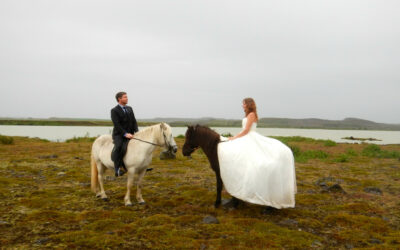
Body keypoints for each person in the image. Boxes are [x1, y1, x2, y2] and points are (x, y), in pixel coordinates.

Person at [218, 98, 297, 208]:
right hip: (246, 138)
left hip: (250, 138)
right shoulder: (249, 114)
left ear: (248, 104)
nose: (242, 105)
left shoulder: (251, 115)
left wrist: (235, 138)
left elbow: (246, 130)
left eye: (244, 103)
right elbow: (244, 130)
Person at [111, 92, 139, 177]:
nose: (127, 98)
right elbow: (117, 124)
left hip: (131, 133)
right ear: (119, 99)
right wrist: (125, 134)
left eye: (127, 97)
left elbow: (134, 121)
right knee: (119, 147)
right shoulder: (114, 110)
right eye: (125, 97)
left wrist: (137, 132)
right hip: (119, 134)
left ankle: (140, 166)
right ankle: (117, 169)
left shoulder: (130, 108)